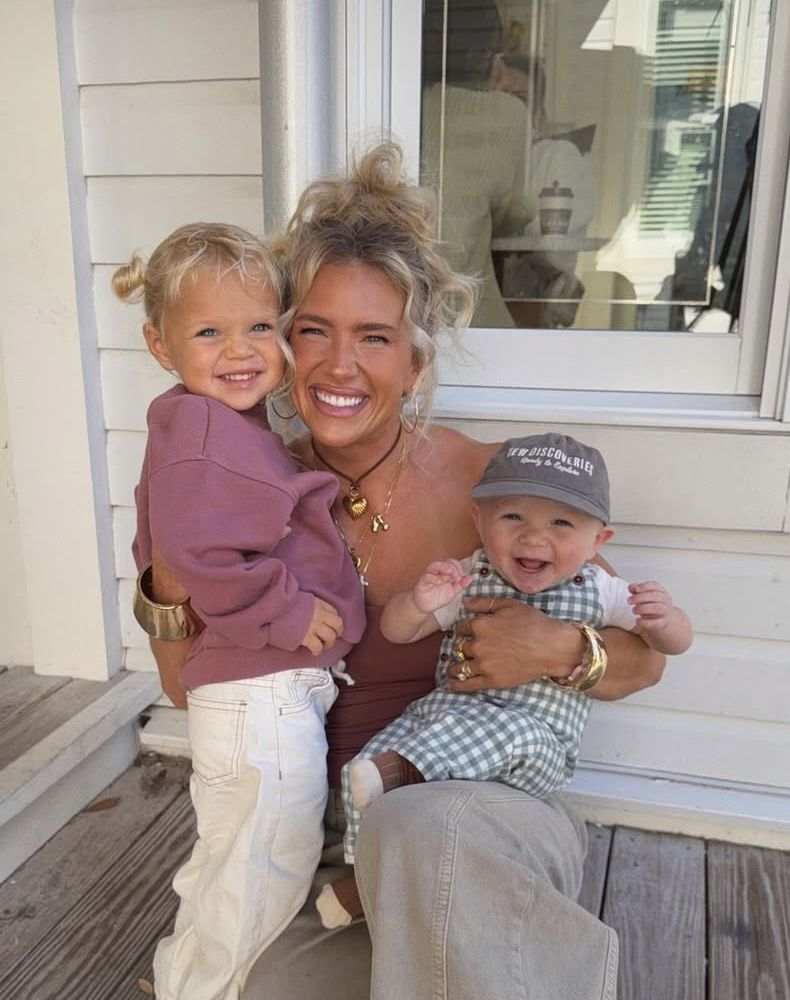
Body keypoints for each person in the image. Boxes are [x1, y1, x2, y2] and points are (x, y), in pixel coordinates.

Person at [136, 145, 666, 1000]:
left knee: (425, 832)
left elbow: (643, 662)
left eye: (374, 338)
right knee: (267, 988)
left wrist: (560, 648)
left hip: (478, 811)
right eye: (313, 330)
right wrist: (172, 547)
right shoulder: (238, 491)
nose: (339, 366)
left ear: (414, 364)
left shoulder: (489, 487)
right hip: (336, 844)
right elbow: (183, 688)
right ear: (281, 341)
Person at [114, 222, 366, 1000]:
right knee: (262, 872)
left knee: (232, 862)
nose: (240, 350)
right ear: (160, 345)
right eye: (209, 333)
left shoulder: (219, 425)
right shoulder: (202, 430)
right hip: (262, 697)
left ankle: (179, 979)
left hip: (258, 696)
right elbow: (197, 556)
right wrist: (287, 613)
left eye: (260, 327)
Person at [316, 431, 692, 927]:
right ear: (480, 521)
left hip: (535, 743)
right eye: (513, 517)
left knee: (500, 740)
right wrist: (420, 603)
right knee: (370, 763)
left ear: (598, 541)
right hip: (446, 720)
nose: (534, 538)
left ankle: (398, 807)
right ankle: (366, 875)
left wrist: (664, 620)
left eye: (561, 523)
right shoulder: (469, 575)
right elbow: (398, 631)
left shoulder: (602, 590)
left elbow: (665, 651)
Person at [420, 0, 535, 328]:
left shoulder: (391, 102)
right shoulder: (506, 115)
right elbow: (515, 215)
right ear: (487, 55)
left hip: (400, 322)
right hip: (468, 322)